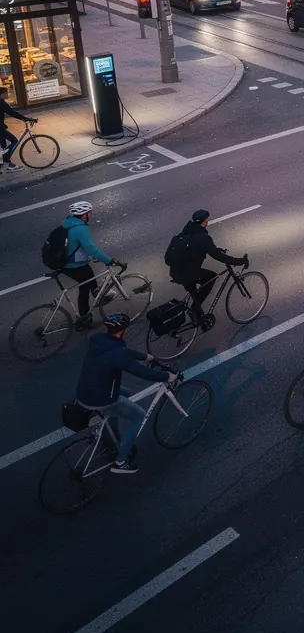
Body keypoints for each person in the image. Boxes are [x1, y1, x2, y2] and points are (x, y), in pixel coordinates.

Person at [76, 313, 176, 474]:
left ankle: (110, 436)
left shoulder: (97, 340)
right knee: (138, 415)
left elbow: (122, 351)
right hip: (100, 398)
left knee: (127, 392)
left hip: (84, 391)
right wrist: (167, 376)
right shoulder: (117, 354)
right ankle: (121, 462)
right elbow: (141, 372)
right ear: (122, 330)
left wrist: (147, 357)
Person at [167, 209, 247, 329]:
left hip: (175, 271)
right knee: (211, 277)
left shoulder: (186, 232)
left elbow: (193, 249)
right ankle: (195, 309)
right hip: (188, 274)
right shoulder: (203, 237)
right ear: (204, 222)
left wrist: (214, 249)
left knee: (198, 282)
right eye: (206, 220)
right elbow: (219, 257)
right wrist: (240, 261)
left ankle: (196, 311)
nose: (207, 222)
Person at [61, 201, 121, 332]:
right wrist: (109, 260)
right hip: (72, 265)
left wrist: (91, 256)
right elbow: (91, 248)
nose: (91, 214)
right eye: (89, 213)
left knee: (90, 280)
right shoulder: (80, 229)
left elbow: (76, 245)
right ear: (83, 215)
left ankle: (98, 299)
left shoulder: (68, 223)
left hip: (69, 262)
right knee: (85, 288)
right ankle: (83, 321)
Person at [1, 86, 37, 173]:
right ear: (2, 95)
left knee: (4, 146)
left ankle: (5, 162)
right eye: (6, 93)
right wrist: (26, 119)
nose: (8, 94)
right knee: (14, 141)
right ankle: (7, 164)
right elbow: (13, 113)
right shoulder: (1, 103)